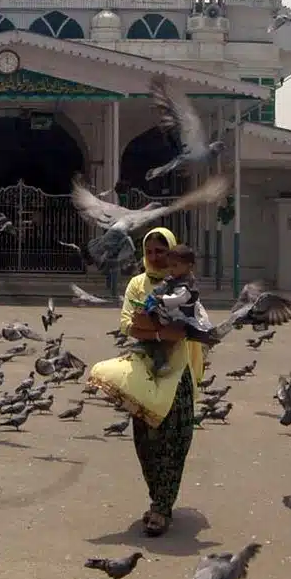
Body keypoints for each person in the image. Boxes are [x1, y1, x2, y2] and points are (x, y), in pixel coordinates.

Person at [86, 227, 204, 538]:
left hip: (179, 372)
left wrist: (166, 327)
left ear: (173, 253)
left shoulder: (185, 285)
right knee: (146, 443)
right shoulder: (137, 284)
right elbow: (128, 323)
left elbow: (195, 324)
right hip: (144, 372)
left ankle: (161, 507)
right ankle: (159, 496)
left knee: (175, 442)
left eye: (161, 251)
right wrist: (159, 333)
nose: (155, 257)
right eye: (150, 251)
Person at [136, 243, 217, 375]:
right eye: (170, 266)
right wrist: (151, 297)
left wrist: (161, 299)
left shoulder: (187, 284)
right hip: (171, 313)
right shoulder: (173, 279)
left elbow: (179, 298)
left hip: (182, 318)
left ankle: (162, 361)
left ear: (189, 266)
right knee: (149, 317)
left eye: (175, 266)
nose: (171, 269)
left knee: (168, 338)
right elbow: (160, 288)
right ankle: (146, 345)